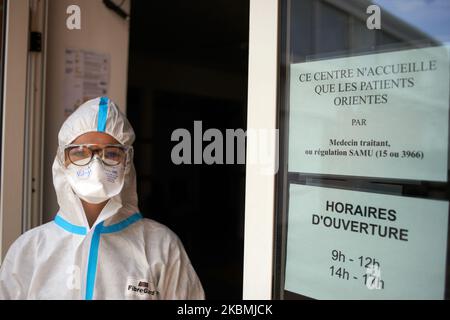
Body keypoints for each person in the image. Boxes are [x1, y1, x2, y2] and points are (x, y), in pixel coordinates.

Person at [0, 97, 205, 299]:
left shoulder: (161, 246)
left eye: (112, 154)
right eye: (80, 152)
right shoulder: (28, 250)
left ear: (127, 162)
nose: (96, 165)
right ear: (63, 161)